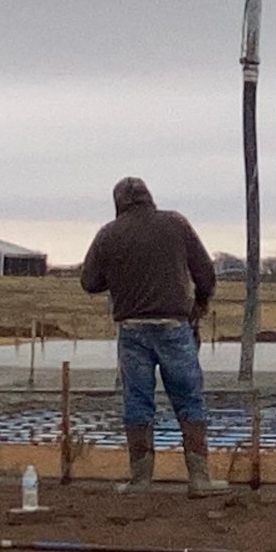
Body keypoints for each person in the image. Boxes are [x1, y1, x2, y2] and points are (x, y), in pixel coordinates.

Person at [78, 176, 221, 495]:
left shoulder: (109, 234)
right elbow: (206, 274)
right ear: (149, 197)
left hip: (132, 331)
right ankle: (199, 479)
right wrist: (200, 302)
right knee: (188, 398)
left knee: (138, 401)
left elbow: (89, 282)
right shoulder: (175, 224)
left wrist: (119, 276)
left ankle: (140, 479)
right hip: (174, 327)